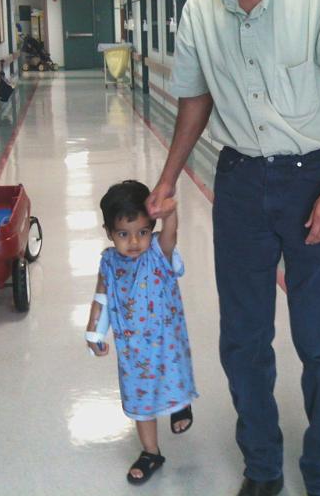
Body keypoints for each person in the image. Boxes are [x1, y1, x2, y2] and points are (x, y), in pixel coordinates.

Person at [149, 0, 320, 495]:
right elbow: (195, 97)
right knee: (243, 337)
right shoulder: (201, 9)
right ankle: (262, 469)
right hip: (242, 183)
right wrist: (169, 177)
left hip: (315, 179)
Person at [85, 180, 198, 485]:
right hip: (132, 349)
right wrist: (94, 332)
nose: (134, 241)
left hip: (166, 344)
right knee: (140, 401)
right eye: (123, 234)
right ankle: (151, 452)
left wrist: (170, 212)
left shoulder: (158, 253)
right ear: (109, 232)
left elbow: (171, 232)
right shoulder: (108, 262)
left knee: (173, 378)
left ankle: (179, 405)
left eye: (143, 232)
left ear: (152, 229)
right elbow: (101, 298)